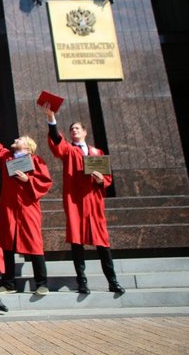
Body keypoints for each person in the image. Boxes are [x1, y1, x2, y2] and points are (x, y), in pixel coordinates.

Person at [42, 105, 125, 295]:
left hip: (94, 202)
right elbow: (56, 142)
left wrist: (100, 179)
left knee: (102, 242)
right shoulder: (69, 150)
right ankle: (82, 282)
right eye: (71, 129)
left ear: (85, 132)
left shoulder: (97, 153)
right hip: (76, 201)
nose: (74, 131)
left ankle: (112, 281)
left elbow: (107, 179)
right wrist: (51, 119)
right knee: (77, 241)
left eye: (77, 128)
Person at [0, 112, 53, 298]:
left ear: (29, 147)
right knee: (7, 244)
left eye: (20, 139)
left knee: (34, 244)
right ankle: (8, 283)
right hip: (8, 208)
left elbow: (45, 182)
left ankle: (42, 283)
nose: (15, 139)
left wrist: (28, 180)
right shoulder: (8, 157)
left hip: (28, 209)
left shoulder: (36, 161)